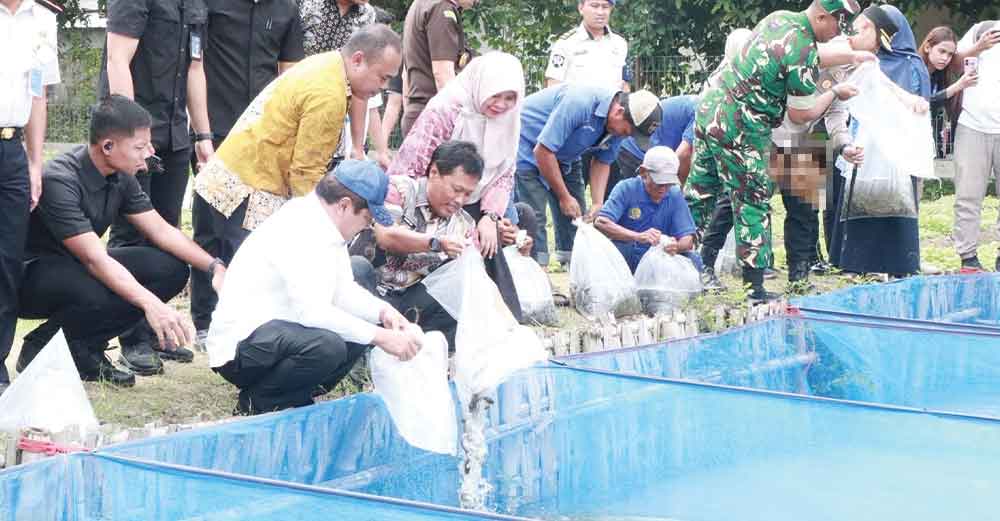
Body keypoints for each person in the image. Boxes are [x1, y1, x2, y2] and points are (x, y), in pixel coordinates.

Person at [190, 25, 401, 341]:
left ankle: (211, 331)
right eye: (382, 78)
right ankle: (229, 341)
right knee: (245, 278)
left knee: (221, 261)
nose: (382, 88)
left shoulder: (328, 64)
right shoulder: (328, 94)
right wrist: (323, 229)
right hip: (251, 186)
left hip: (232, 168)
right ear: (358, 60)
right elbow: (306, 176)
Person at [17, 96, 226, 386]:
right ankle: (42, 345)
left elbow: (162, 231)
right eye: (140, 147)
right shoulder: (60, 179)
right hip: (30, 278)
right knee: (99, 286)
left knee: (171, 269)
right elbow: (94, 259)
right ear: (107, 147)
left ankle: (84, 345)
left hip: (76, 268)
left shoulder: (120, 175)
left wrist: (215, 267)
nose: (149, 153)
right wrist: (152, 305)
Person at [684, 0, 864, 302]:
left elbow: (835, 115)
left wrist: (844, 143)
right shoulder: (805, 49)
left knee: (703, 193)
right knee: (750, 201)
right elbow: (800, 114)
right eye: (840, 24)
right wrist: (833, 90)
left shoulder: (780, 19)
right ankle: (751, 287)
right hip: (749, 125)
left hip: (720, 114)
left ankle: (671, 265)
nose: (840, 31)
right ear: (822, 17)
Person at [207, 160, 420, 415]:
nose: (368, 226)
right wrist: (382, 338)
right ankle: (260, 401)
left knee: (362, 316)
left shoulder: (327, 224)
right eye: (367, 218)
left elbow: (343, 291)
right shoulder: (301, 228)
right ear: (344, 206)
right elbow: (313, 313)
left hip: (281, 329)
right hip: (242, 345)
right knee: (328, 346)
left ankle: (297, 392)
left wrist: (385, 314)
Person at [190, 0, 304, 348]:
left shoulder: (287, 10)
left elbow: (290, 76)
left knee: (252, 230)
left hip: (264, 137)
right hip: (218, 133)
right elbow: (197, 65)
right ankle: (204, 319)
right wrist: (202, 132)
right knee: (210, 226)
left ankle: (245, 318)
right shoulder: (211, 4)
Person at [101, 0, 214, 248]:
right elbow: (117, 60)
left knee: (168, 232)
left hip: (175, 135)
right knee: (131, 233)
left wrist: (202, 136)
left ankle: (159, 288)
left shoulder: (195, 4)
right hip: (133, 136)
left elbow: (195, 69)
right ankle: (119, 286)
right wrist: (133, 136)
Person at [829, 6, 931, 277]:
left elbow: (894, 93)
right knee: (857, 200)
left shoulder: (905, 65)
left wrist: (911, 103)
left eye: (864, 29)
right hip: (859, 144)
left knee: (894, 201)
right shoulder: (847, 58)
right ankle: (856, 263)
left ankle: (896, 262)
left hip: (893, 150)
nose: (855, 33)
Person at [516, 85, 661, 268]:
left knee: (577, 218)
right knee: (534, 216)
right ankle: (536, 272)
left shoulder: (617, 129)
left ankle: (573, 267)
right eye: (627, 132)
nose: (626, 137)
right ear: (619, 112)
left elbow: (602, 161)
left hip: (564, 155)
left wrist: (598, 203)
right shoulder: (579, 103)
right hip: (529, 148)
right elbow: (543, 151)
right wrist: (563, 196)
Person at [355, 141, 483, 348]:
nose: (460, 200)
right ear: (433, 172)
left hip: (407, 305)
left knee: (465, 283)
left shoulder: (463, 224)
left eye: (468, 194)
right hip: (365, 292)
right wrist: (436, 243)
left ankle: (431, 353)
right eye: (456, 189)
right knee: (357, 267)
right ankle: (354, 349)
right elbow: (386, 236)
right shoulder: (398, 190)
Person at [0, 0, 60, 396]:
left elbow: (38, 93)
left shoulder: (43, 18)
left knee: (6, 260)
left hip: (11, 152)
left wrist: (36, 163)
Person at [546, 0, 631, 208]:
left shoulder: (619, 44)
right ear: (581, 7)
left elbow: (625, 85)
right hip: (576, 129)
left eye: (605, 7)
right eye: (594, 6)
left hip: (609, 129)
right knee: (570, 201)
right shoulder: (566, 43)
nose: (600, 12)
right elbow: (553, 86)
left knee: (606, 201)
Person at [298, 0, 390, 169]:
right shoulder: (306, 4)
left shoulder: (367, 15)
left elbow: (358, 84)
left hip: (333, 134)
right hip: (295, 119)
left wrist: (357, 148)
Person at [595, 147, 701, 274]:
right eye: (659, 182)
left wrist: (675, 246)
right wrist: (638, 236)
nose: (663, 188)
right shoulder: (626, 188)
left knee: (693, 259)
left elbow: (687, 238)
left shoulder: (674, 195)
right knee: (615, 251)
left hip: (661, 260)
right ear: (643, 172)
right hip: (629, 256)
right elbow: (601, 222)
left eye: (668, 183)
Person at [950, 20, 1000, 272]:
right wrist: (979, 46)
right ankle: (968, 257)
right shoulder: (984, 28)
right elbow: (954, 63)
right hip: (973, 125)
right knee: (968, 195)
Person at [401, 0, 477, 136]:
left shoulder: (421, 4)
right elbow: (443, 74)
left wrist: (411, 111)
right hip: (435, 119)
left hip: (419, 114)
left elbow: (406, 73)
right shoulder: (441, 8)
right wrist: (455, 122)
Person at [616, 94, 698, 188]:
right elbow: (683, 155)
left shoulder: (695, 104)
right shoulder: (702, 112)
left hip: (637, 145)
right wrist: (678, 190)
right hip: (636, 150)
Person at [918, 27, 975, 158]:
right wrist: (957, 86)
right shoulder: (915, 69)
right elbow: (923, 102)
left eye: (950, 54)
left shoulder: (940, 75)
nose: (945, 58)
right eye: (942, 51)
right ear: (927, 47)